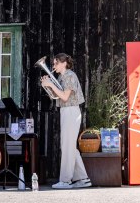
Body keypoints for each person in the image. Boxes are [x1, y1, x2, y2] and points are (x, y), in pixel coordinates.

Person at [41, 53, 91, 189]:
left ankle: (66, 181)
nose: (53, 66)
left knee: (67, 147)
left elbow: (64, 96)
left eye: (55, 63)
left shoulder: (69, 76)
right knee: (69, 147)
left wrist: (50, 83)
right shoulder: (62, 77)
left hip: (71, 111)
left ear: (64, 63)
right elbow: (56, 96)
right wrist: (49, 86)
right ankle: (83, 178)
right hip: (67, 111)